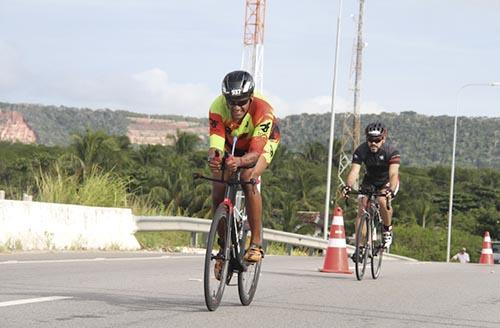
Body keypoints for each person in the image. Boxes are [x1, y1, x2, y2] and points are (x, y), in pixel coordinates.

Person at [207, 70, 280, 266]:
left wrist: (238, 162)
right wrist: (214, 158)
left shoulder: (263, 111)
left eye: (242, 102)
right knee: (218, 187)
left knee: (248, 178)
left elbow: (255, 153)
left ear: (251, 97)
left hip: (262, 144)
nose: (236, 107)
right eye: (232, 102)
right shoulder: (216, 107)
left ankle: (256, 243)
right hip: (234, 143)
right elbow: (216, 143)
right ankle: (223, 246)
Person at [341, 122, 400, 257]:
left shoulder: (391, 152)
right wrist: (348, 186)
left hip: (387, 181)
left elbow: (393, 174)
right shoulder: (361, 150)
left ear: (383, 139)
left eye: (377, 140)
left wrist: (390, 189)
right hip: (370, 181)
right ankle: (360, 247)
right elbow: (354, 171)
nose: (373, 143)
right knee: (362, 208)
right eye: (370, 140)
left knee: (382, 200)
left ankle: (387, 230)